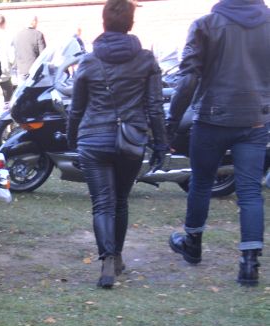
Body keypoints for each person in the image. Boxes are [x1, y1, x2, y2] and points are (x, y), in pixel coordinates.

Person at [166, 0, 270, 286]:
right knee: (250, 191)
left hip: (211, 118)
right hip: (255, 119)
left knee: (201, 183)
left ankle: (192, 244)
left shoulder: (206, 25)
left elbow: (188, 78)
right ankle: (249, 264)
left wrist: (172, 119)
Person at [66, 0, 167, 288]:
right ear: (130, 24)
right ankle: (117, 256)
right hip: (131, 139)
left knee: (102, 203)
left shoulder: (88, 61)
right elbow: (155, 107)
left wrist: (72, 139)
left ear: (104, 22)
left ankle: (108, 260)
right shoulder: (146, 60)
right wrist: (161, 144)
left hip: (93, 139)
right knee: (120, 200)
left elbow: (76, 108)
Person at [0, 14, 16, 109]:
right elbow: (12, 56)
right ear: (4, 23)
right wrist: (12, 65)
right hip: (5, 71)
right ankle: (7, 116)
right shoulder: (8, 36)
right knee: (8, 101)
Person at [14, 15, 46, 81]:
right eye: (36, 21)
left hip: (21, 70)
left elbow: (15, 53)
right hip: (35, 70)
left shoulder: (17, 35)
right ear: (33, 22)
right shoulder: (38, 34)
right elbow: (43, 55)